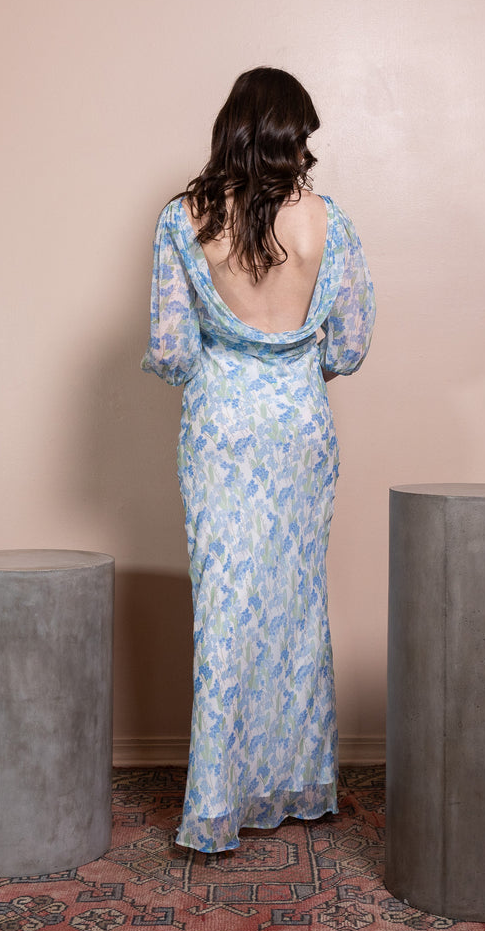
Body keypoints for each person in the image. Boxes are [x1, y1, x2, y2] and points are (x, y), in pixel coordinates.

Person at [141, 66, 375, 853]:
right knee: (296, 604)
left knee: (228, 608)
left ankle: (218, 799)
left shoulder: (184, 219)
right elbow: (347, 343)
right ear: (289, 132)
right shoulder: (328, 222)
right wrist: (291, 362)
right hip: (299, 424)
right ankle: (299, 785)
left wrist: (225, 352)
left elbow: (173, 351)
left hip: (222, 427)